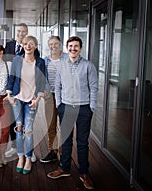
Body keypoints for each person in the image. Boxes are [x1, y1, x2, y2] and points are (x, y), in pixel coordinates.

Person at [47, 36, 98, 190]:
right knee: (66, 140)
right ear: (67, 48)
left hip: (84, 108)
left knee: (82, 143)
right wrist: (59, 104)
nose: (73, 49)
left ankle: (83, 172)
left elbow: (94, 87)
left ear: (80, 48)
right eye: (70, 46)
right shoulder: (61, 65)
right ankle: (64, 168)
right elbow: (57, 86)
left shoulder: (88, 66)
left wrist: (92, 107)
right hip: (66, 107)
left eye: (76, 46)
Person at [6, 35, 46, 175]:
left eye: (31, 44)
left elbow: (42, 81)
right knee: (19, 128)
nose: (28, 46)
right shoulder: (17, 60)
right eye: (25, 44)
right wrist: (9, 95)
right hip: (17, 99)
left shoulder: (40, 62)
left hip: (31, 101)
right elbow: (11, 78)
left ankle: (28, 159)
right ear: (23, 46)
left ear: (35, 46)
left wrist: (38, 99)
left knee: (28, 130)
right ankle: (20, 158)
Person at [4, 23, 37, 162]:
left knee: (28, 125)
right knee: (15, 122)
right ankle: (15, 147)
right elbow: (6, 67)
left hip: (28, 92)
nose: (21, 33)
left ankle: (29, 151)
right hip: (14, 92)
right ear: (16, 32)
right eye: (19, 31)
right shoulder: (9, 46)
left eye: (24, 31)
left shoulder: (33, 50)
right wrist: (8, 92)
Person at [40, 36, 68, 163]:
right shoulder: (45, 60)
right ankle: (53, 150)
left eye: (56, 43)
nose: (53, 46)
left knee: (64, 125)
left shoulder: (67, 58)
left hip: (64, 96)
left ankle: (63, 153)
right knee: (51, 125)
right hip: (49, 96)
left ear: (60, 44)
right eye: (51, 44)